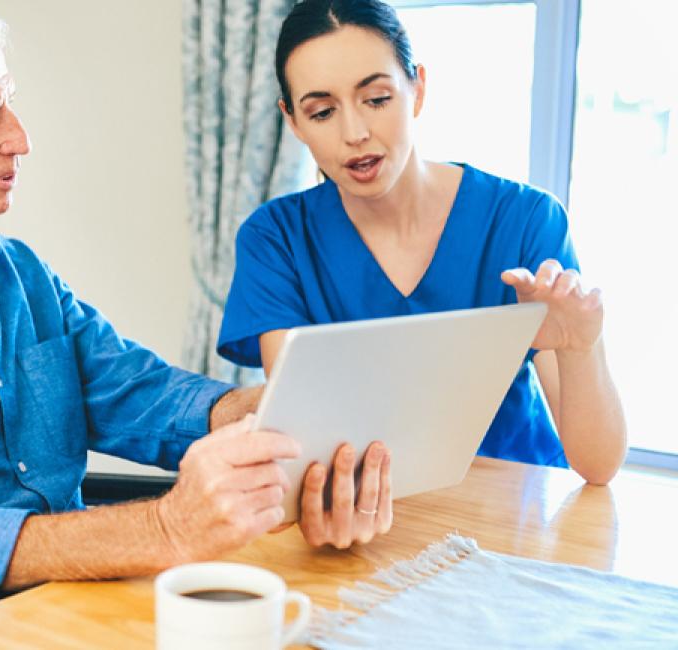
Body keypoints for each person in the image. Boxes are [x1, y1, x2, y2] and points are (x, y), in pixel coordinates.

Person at [0, 1, 391, 645]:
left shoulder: (18, 271)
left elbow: (140, 394)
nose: (20, 137)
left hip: (61, 608)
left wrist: (290, 407)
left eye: (9, 103)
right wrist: (164, 529)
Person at [218, 0, 627, 484]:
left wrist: (583, 346)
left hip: (514, 510)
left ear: (417, 90)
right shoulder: (276, 239)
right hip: (363, 513)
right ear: (293, 121)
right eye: (323, 111)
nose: (355, 133)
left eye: (376, 99)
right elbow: (308, 437)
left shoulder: (523, 219)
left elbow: (598, 466)